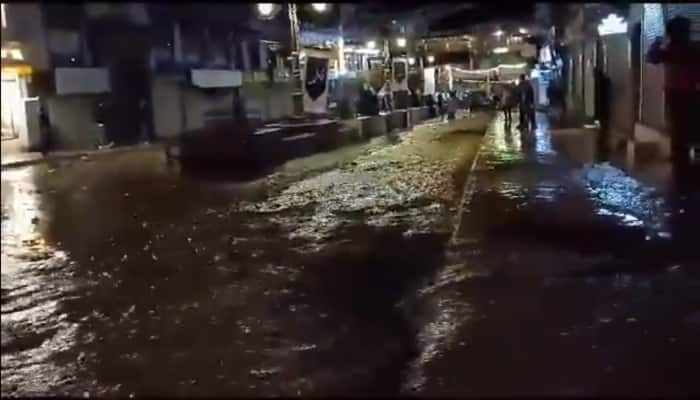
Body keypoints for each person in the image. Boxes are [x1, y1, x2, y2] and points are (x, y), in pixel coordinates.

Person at [646, 15, 700, 170]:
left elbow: (652, 57)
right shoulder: (691, 48)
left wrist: (657, 42)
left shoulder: (672, 48)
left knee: (679, 126)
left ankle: (681, 158)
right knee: (689, 125)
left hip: (677, 92)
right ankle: (686, 157)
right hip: (691, 92)